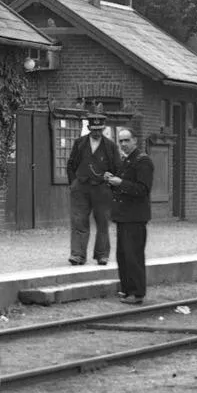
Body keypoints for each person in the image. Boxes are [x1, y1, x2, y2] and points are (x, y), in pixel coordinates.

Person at [104, 128, 155, 304]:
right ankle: (127, 289)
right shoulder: (127, 161)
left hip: (135, 217)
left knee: (133, 256)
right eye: (121, 141)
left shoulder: (143, 161)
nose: (123, 144)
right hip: (124, 216)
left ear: (135, 141)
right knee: (123, 255)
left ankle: (137, 292)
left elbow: (143, 189)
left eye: (127, 140)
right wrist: (112, 181)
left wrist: (121, 183)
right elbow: (123, 185)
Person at [65, 113, 122, 266]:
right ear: (89, 128)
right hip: (81, 188)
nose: (97, 133)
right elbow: (71, 165)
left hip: (102, 189)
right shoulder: (79, 143)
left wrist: (111, 181)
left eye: (100, 129)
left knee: (103, 222)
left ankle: (102, 255)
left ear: (103, 128)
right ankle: (77, 254)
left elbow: (118, 168)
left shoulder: (111, 146)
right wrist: (73, 184)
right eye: (94, 129)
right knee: (79, 221)